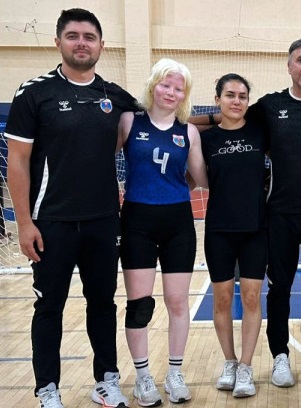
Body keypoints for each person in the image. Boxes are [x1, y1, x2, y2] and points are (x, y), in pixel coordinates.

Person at [196, 37, 301, 387]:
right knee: (278, 288)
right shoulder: (269, 106)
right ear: (289, 65)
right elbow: (230, 117)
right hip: (279, 215)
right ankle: (280, 356)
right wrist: (186, 121)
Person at [4, 8, 137, 408]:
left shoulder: (114, 95)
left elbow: (162, 120)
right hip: (51, 223)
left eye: (89, 37)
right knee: (49, 307)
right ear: (58, 42)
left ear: (101, 46)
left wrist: (218, 118)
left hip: (103, 222)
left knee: (103, 305)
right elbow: (17, 162)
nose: (82, 43)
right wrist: (24, 223)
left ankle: (106, 382)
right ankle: (48, 389)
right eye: (73, 36)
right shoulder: (34, 93)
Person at [117, 58, 207, 406]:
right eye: (166, 84)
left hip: (178, 222)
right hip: (137, 221)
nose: (171, 92)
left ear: (185, 95)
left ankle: (175, 373)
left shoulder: (189, 132)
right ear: (153, 85)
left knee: (177, 302)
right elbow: (99, 158)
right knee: (140, 305)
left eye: (178, 88)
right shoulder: (129, 121)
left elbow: (200, 178)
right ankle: (143, 378)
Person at [200, 73, 269, 398]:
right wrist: (210, 119)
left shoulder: (259, 132)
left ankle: (245, 366)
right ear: (217, 99)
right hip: (219, 230)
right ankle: (229, 362)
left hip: (256, 229)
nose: (236, 101)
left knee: (252, 298)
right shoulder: (206, 139)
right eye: (230, 95)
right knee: (223, 299)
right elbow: (181, 121)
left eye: (242, 96)